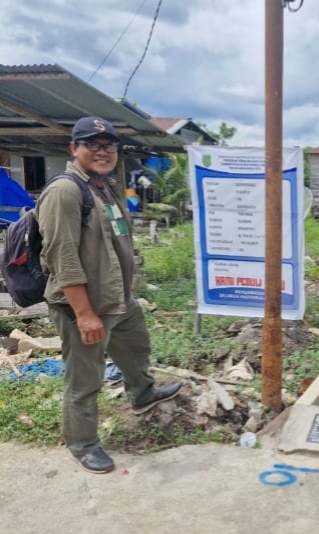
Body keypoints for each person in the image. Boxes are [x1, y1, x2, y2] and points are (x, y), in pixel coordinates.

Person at [37, 117, 183, 474]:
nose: (102, 152)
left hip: (117, 297)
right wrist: (84, 314)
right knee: (85, 379)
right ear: (74, 148)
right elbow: (62, 257)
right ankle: (83, 445)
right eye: (92, 144)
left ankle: (142, 394)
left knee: (136, 347)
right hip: (85, 305)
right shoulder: (65, 191)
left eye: (109, 146)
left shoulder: (105, 186)